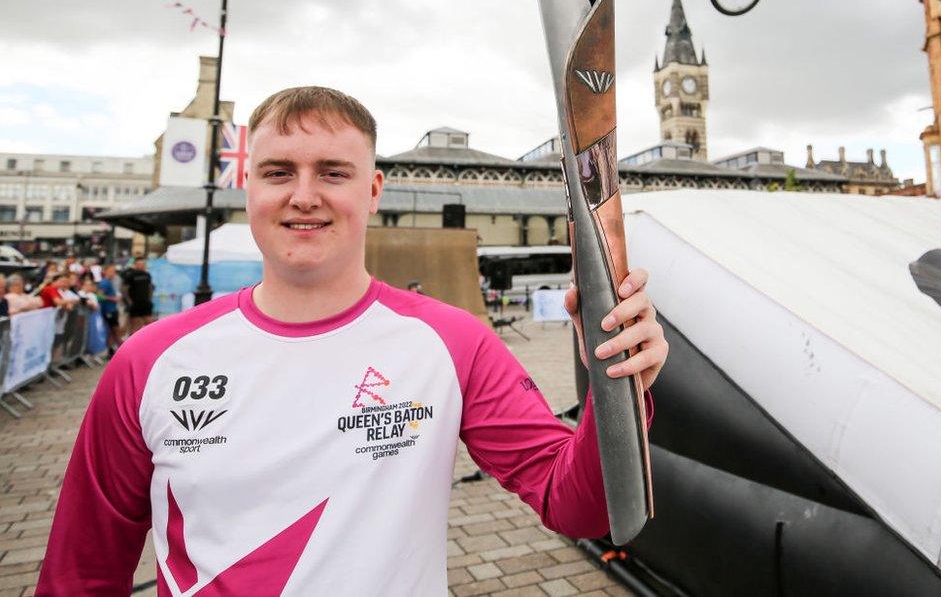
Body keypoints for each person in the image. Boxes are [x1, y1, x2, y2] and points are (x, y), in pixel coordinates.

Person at [37, 86, 668, 595]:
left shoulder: (452, 344)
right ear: (249, 189)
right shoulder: (150, 361)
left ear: (371, 192)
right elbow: (80, 573)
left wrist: (618, 382)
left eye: (333, 172)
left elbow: (575, 506)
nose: (303, 196)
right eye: (278, 171)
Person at [121, 257, 154, 335]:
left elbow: (150, 288)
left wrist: (149, 299)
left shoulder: (147, 275)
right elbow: (124, 289)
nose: (142, 266)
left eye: (143, 264)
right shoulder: (130, 275)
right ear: (135, 265)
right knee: (135, 325)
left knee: (149, 323)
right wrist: (129, 302)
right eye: (140, 264)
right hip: (135, 303)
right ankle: (132, 344)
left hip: (146, 303)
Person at [96, 264, 123, 356]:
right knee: (116, 330)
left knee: (112, 331)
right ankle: (122, 350)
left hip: (112, 309)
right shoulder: (105, 283)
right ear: (105, 272)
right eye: (111, 271)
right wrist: (113, 299)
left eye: (114, 271)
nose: (113, 273)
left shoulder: (109, 282)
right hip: (108, 310)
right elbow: (99, 296)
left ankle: (111, 351)